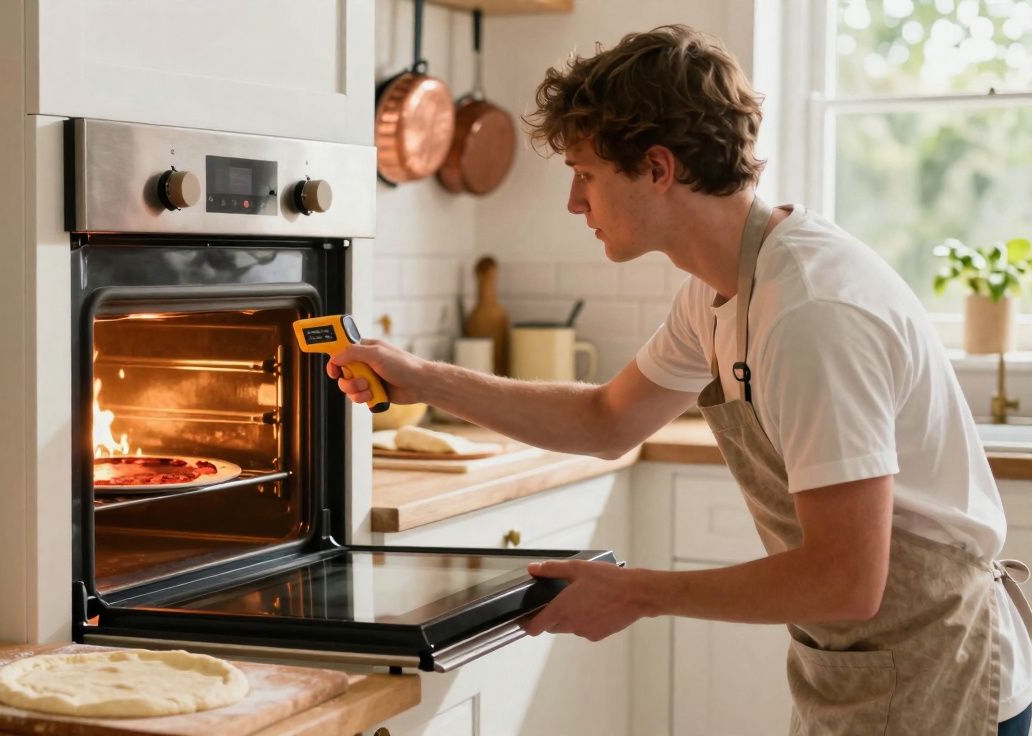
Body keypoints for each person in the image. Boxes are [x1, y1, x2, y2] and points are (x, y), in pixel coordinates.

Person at [328, 24, 1032, 735]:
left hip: (949, 678)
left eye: (587, 174)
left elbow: (845, 579)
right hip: (861, 672)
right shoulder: (720, 289)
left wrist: (636, 594)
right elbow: (606, 420)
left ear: (658, 169)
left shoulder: (811, 312)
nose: (576, 203)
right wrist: (423, 379)